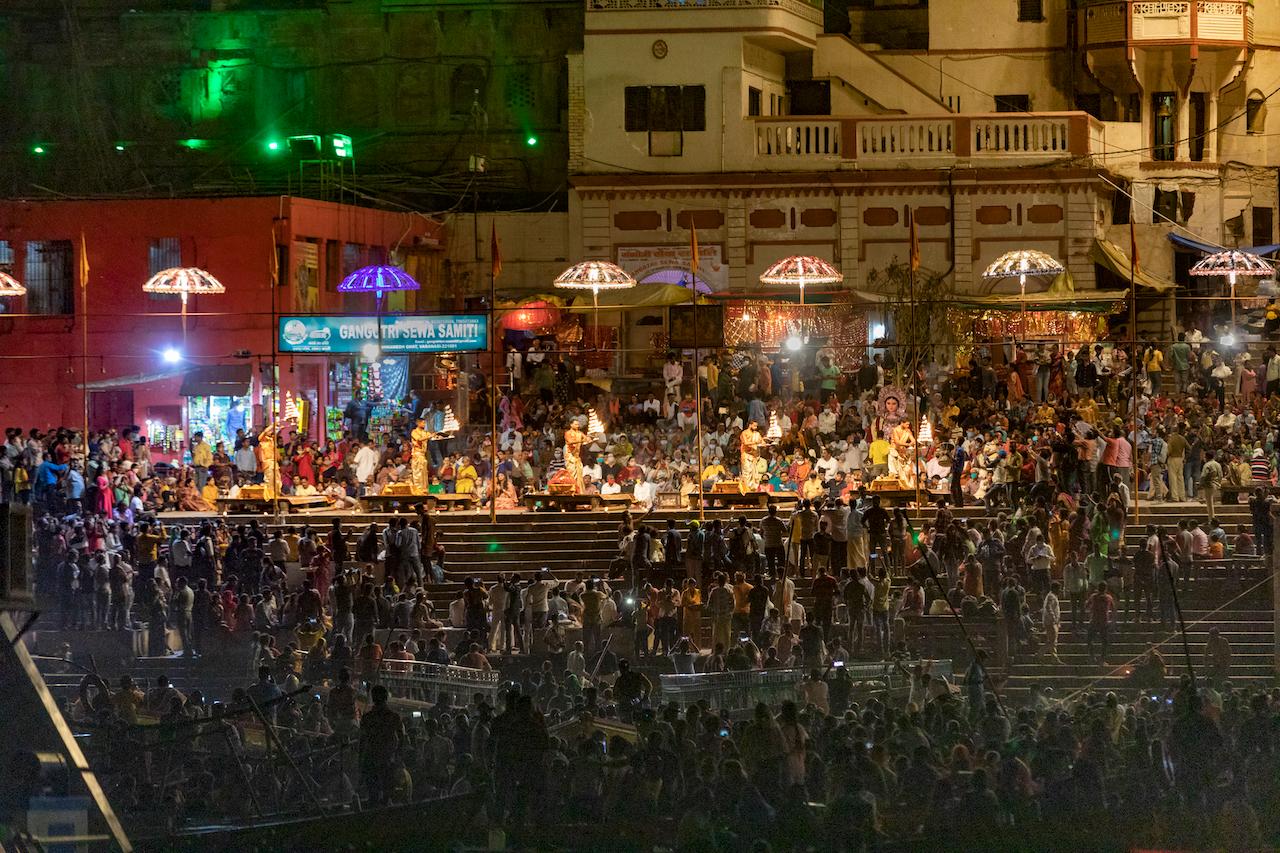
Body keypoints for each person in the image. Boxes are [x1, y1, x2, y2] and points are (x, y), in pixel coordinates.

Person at [359, 684, 404, 807]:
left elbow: (362, 741)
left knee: (373, 794)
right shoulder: (394, 717)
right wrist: (397, 756)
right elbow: (402, 739)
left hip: (371, 757)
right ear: (386, 698)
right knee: (387, 795)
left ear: (373, 698)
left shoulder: (367, 718)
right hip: (387, 758)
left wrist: (360, 760)